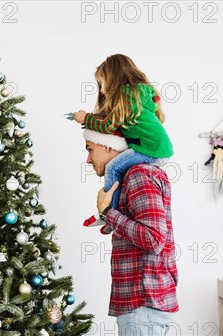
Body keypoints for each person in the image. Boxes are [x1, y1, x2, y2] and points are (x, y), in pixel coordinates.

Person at [82, 128, 179, 336]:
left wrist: (107, 212)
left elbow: (154, 239)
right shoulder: (136, 175)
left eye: (90, 149)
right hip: (142, 304)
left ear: (108, 146)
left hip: (142, 304)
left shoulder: (139, 175)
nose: (88, 160)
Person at [66, 54, 173, 234]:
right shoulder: (139, 95)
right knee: (120, 172)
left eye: (102, 83)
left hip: (150, 149)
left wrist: (85, 118)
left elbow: (108, 126)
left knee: (112, 169)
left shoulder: (126, 96)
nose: (101, 90)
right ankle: (113, 215)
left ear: (113, 78)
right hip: (159, 149)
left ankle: (108, 214)